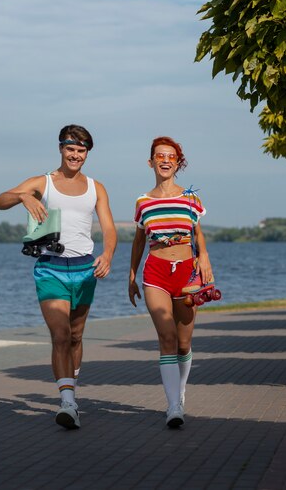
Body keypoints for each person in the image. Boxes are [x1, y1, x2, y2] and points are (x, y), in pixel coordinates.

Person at [0, 124, 117, 430]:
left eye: (81, 150)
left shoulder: (95, 187)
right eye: (70, 148)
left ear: (87, 153)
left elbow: (110, 228)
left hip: (86, 268)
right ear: (60, 148)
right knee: (60, 334)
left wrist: (108, 255)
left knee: (76, 335)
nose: (75, 155)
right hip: (51, 267)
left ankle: (70, 386)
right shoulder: (43, 182)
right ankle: (68, 403)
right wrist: (23, 196)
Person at [128, 136, 213, 428]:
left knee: (183, 343)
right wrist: (131, 276)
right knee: (166, 338)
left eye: (171, 157)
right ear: (151, 162)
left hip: (188, 274)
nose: (165, 160)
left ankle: (181, 390)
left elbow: (198, 234)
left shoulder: (190, 198)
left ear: (178, 163)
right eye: (159, 156)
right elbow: (139, 240)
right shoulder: (143, 202)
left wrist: (205, 261)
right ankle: (173, 405)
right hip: (156, 273)